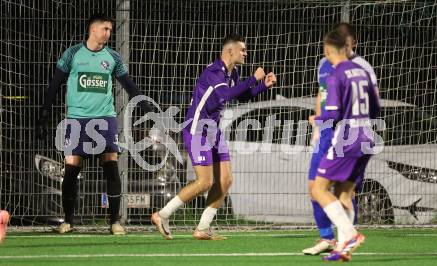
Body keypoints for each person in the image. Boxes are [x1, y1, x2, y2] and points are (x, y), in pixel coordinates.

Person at [151, 34, 277, 240]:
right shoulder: (214, 72)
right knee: (204, 182)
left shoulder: (232, 71)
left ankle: (203, 227)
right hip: (197, 129)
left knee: (226, 180)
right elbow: (226, 95)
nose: (245, 53)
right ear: (230, 51)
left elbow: (240, 96)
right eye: (243, 50)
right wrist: (254, 78)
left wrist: (262, 86)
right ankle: (162, 214)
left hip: (213, 131)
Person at [36, 13, 151, 235]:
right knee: (71, 169)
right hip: (77, 120)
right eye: (105, 29)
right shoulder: (72, 54)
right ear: (93, 30)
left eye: (110, 29)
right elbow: (55, 84)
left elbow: (129, 85)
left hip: (104, 119)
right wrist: (44, 113)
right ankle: (68, 221)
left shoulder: (113, 58)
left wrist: (147, 109)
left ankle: (115, 222)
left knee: (111, 167)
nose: (109, 33)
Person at [303, 22, 379, 255]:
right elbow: (375, 108)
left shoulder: (336, 75)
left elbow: (333, 113)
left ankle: (350, 235)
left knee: (318, 188)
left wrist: (317, 120)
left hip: (345, 137)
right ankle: (344, 246)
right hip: (367, 136)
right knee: (344, 193)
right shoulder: (362, 72)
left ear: (328, 51)